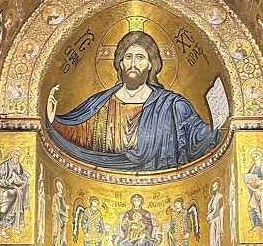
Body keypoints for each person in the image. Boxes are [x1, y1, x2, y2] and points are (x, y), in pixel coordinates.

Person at [46, 31, 222, 171]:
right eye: (128, 57)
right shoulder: (99, 104)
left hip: (161, 191)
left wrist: (221, 122)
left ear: (151, 64)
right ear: (120, 63)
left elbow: (200, 139)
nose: (133, 64)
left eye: (140, 58)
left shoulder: (173, 105)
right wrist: (53, 120)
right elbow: (76, 134)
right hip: (107, 187)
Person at [0, 149, 30, 238]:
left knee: (17, 211)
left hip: (17, 192)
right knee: (4, 210)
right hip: (6, 192)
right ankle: (2, 228)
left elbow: (21, 177)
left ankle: (17, 228)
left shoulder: (19, 166)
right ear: (11, 155)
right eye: (15, 156)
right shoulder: (3, 166)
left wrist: (23, 180)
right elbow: (0, 181)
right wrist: (10, 182)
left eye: (18, 157)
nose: (17, 158)